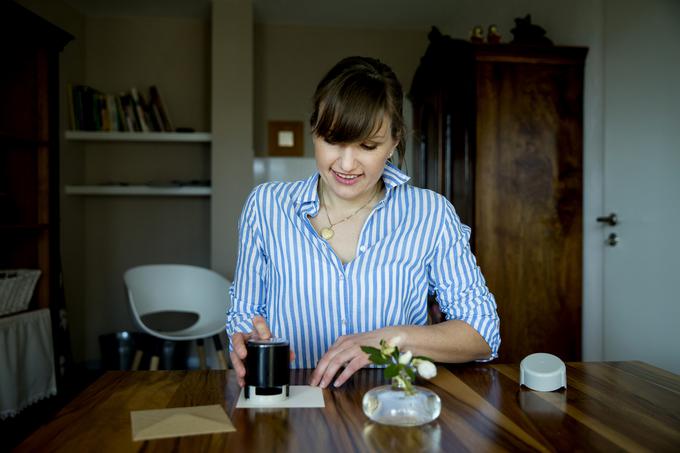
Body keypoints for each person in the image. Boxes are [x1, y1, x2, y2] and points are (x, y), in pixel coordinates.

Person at [227, 56, 499, 389]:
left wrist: (389, 340)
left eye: (367, 146)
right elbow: (243, 315)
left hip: (393, 414)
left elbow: (483, 332)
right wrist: (245, 340)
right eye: (333, 140)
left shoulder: (431, 214)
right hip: (294, 413)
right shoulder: (266, 206)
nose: (346, 163)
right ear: (314, 131)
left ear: (394, 141)